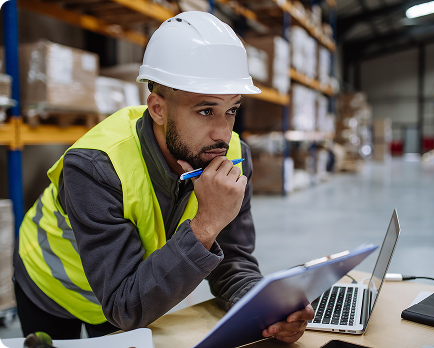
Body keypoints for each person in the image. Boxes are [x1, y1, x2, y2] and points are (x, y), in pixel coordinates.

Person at [13, 11, 314, 343]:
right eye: (205, 110)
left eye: (231, 110)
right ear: (157, 108)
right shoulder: (96, 166)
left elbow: (234, 262)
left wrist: (265, 310)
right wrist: (206, 224)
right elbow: (123, 305)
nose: (223, 133)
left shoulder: (234, 157)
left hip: (133, 290)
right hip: (54, 287)